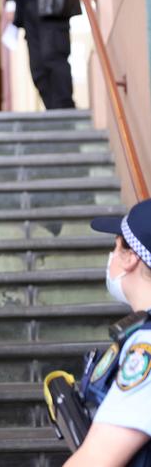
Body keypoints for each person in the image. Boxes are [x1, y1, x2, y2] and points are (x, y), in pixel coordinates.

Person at [64, 198, 151, 466]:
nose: (111, 256)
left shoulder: (146, 346)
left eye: (116, 245)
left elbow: (97, 459)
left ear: (130, 257)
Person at [5, 0, 80, 109]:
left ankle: (65, 109)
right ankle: (52, 110)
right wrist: (11, 3)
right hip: (27, 8)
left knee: (53, 58)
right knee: (37, 68)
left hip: (52, 3)